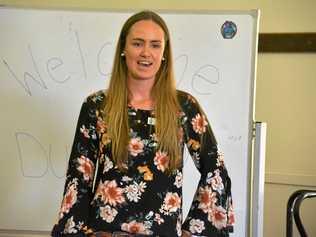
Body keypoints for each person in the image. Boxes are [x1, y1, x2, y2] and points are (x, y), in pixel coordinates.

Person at [51, 10, 234, 237]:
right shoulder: (97, 106)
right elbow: (79, 178)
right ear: (123, 49)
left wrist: (192, 230)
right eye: (138, 43)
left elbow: (215, 169)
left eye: (155, 45)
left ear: (164, 52)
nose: (146, 52)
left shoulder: (184, 107)